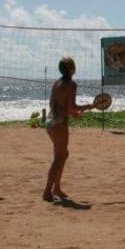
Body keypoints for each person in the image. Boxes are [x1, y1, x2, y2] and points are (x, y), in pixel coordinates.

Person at [43, 56, 93, 202]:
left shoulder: (57, 82)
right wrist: (87, 107)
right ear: (71, 68)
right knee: (59, 158)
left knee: (62, 155)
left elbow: (63, 105)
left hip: (50, 122)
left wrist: (74, 113)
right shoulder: (71, 85)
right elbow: (72, 106)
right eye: (74, 65)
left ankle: (56, 188)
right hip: (59, 124)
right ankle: (47, 192)